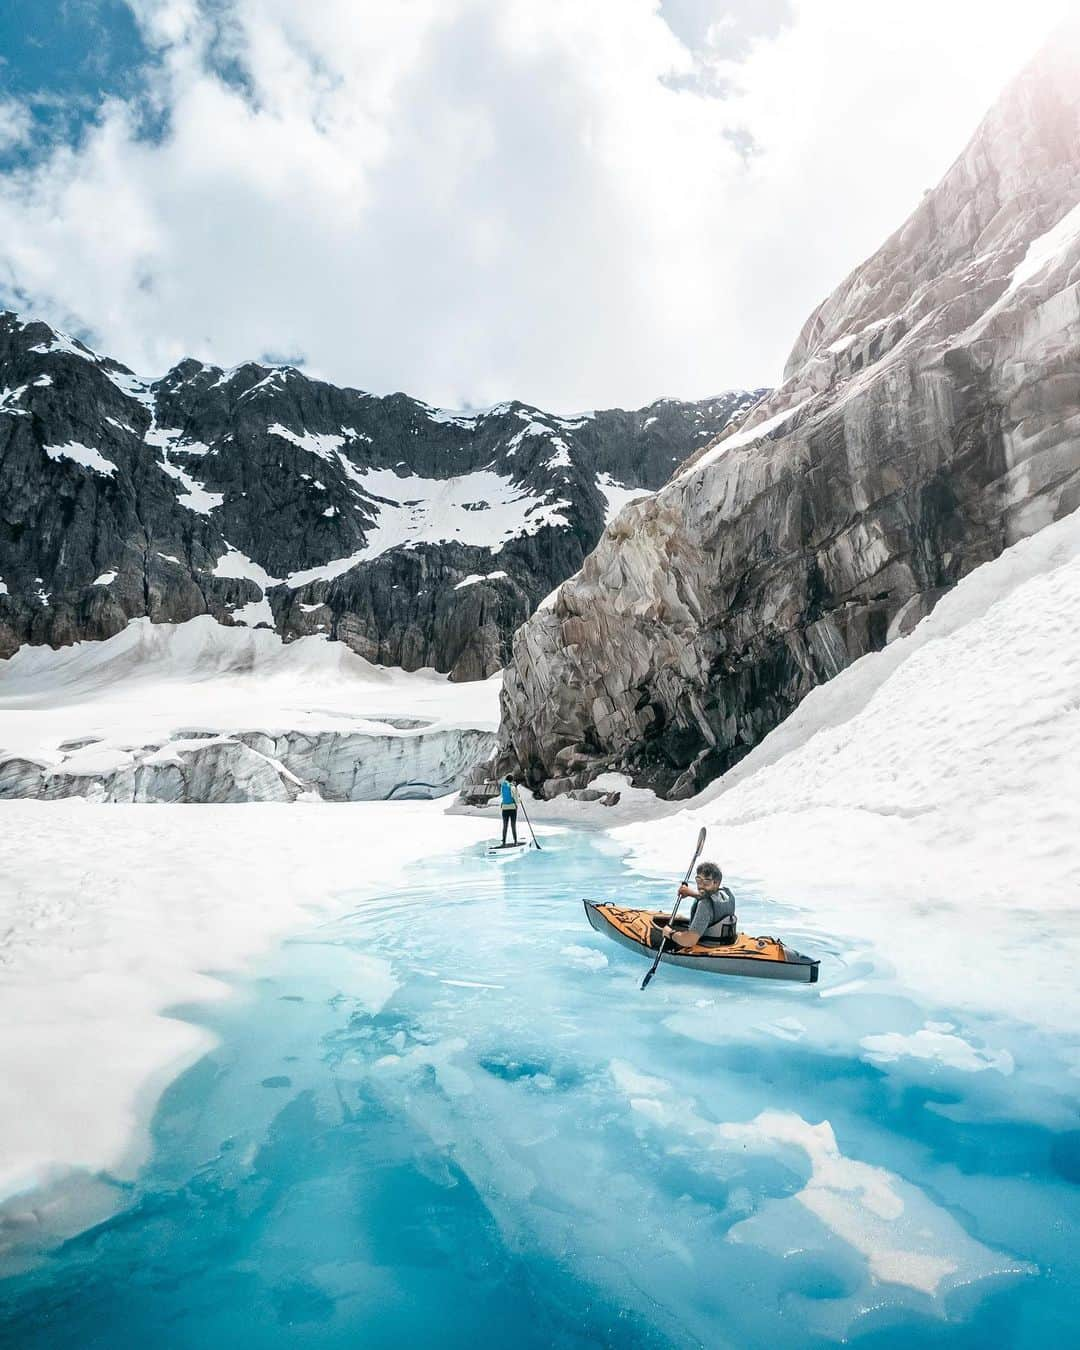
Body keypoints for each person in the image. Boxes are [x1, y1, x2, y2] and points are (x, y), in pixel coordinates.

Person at [659, 862, 736, 947]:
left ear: (716, 883)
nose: (701, 886)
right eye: (698, 881)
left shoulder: (705, 906)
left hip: (707, 946)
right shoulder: (726, 896)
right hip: (725, 942)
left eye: (706, 882)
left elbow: (689, 941)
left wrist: (670, 933)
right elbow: (707, 897)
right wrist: (690, 893)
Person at [500, 774, 519, 845]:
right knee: (513, 825)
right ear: (511, 780)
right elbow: (516, 798)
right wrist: (519, 801)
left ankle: (504, 842)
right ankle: (515, 841)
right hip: (512, 808)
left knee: (505, 825)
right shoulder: (512, 787)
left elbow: (502, 796)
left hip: (504, 808)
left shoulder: (502, 786)